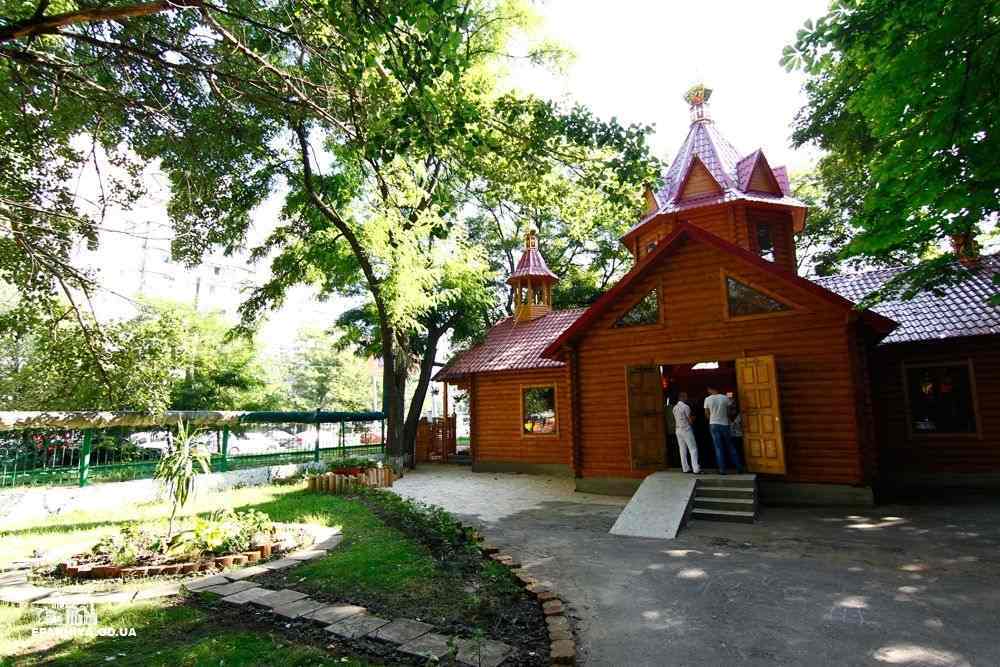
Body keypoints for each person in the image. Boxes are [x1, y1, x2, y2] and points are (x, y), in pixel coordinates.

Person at [704, 386, 744, 474]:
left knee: (718, 447)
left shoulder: (707, 399)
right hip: (725, 424)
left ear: (710, 389)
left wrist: (712, 419)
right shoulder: (725, 398)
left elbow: (707, 414)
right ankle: (739, 467)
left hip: (713, 424)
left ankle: (722, 470)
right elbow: (729, 412)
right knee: (730, 446)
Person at [672, 392, 700, 474]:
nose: (687, 398)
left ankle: (685, 468)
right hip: (686, 429)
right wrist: (694, 418)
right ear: (682, 397)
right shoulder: (686, 407)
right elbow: (690, 420)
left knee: (682, 449)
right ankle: (696, 469)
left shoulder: (675, 407)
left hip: (678, 430)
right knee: (693, 449)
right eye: (686, 397)